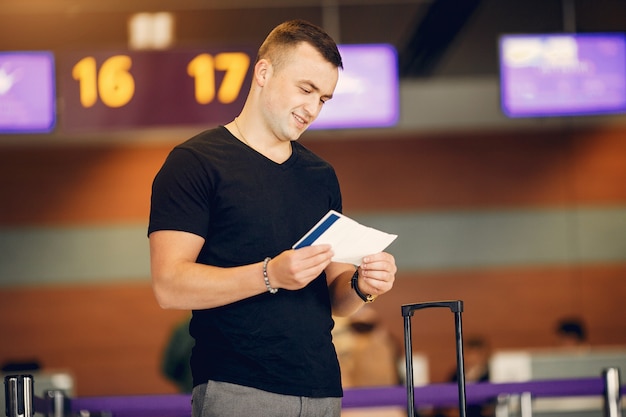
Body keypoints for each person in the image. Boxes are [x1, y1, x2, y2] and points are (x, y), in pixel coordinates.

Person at [148, 19, 397, 417]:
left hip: (322, 391)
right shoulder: (194, 163)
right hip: (238, 389)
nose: (313, 109)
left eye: (324, 99)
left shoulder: (321, 176)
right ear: (264, 72)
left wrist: (363, 285)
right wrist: (270, 275)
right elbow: (169, 285)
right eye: (306, 89)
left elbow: (336, 298)